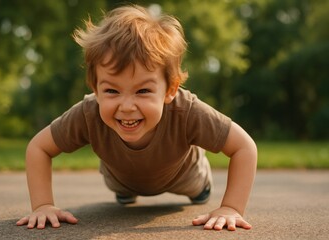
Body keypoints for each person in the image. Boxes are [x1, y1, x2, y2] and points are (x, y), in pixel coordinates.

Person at [16, 4, 257, 231]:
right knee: (121, 188)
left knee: (198, 187)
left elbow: (244, 147)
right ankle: (127, 191)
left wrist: (231, 207)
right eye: (111, 90)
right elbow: (39, 147)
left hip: (185, 176)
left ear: (171, 89)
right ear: (95, 88)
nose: (127, 106)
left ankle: (201, 188)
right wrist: (43, 205)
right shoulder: (88, 113)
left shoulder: (188, 111)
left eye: (142, 91)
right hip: (121, 179)